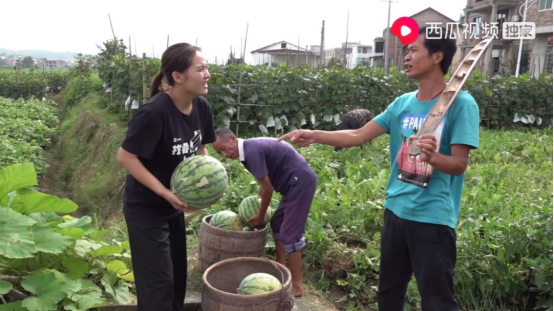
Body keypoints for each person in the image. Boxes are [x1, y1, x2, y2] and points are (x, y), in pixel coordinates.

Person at [279, 27, 480, 311]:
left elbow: (458, 165)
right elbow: (358, 135)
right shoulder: (403, 103)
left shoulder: (461, 104)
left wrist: (433, 157)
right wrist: (315, 134)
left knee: (437, 302)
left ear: (437, 56)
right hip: (395, 212)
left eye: (413, 50)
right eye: (405, 51)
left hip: (432, 219)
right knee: (388, 295)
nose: (406, 56)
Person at [117, 43, 216, 311]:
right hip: (146, 208)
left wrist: (204, 184)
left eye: (207, 68)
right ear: (178, 76)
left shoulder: (201, 107)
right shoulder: (155, 112)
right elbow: (126, 157)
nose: (207, 74)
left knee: (175, 280)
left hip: (173, 206)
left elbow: (201, 149)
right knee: (157, 284)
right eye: (201, 69)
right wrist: (165, 193)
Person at [212, 129, 317, 298]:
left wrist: (260, 216)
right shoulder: (248, 151)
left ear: (233, 139)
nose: (224, 154)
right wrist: (256, 205)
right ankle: (279, 267)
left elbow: (268, 188)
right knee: (277, 222)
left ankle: (297, 286)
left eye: (224, 148)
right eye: (219, 152)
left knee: (290, 234)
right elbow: (264, 185)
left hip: (300, 183)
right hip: (293, 185)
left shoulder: (251, 151)